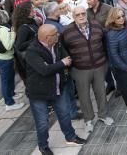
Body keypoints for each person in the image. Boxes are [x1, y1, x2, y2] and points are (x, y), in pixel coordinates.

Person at [25, 24, 87, 155]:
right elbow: (44, 70)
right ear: (47, 38)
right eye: (55, 34)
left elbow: (68, 59)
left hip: (59, 87)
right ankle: (43, 146)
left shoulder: (57, 44)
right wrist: (61, 64)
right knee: (42, 122)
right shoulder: (32, 51)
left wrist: (56, 65)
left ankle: (70, 137)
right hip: (39, 92)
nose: (58, 35)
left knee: (64, 114)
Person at [61, 5, 112, 133]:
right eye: (78, 15)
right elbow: (63, 50)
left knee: (101, 93)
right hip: (80, 69)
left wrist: (106, 61)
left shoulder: (96, 25)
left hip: (99, 66)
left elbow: (105, 43)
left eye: (83, 13)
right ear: (73, 17)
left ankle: (103, 115)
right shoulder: (67, 31)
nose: (81, 16)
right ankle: (88, 119)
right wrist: (70, 66)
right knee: (84, 96)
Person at [0, 2, 23, 112]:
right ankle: (9, 102)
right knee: (6, 80)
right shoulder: (4, 30)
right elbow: (8, 46)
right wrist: (13, 34)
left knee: (8, 78)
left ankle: (11, 93)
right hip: (4, 58)